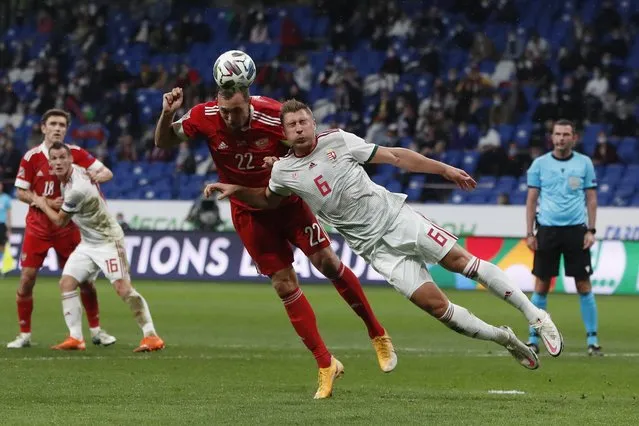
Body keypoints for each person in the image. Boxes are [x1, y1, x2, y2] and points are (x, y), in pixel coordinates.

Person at [205, 99, 564, 384]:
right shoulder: (283, 171)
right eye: (292, 125)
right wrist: (236, 189)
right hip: (375, 250)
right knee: (441, 312)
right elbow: (268, 200)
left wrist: (444, 169)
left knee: (462, 263)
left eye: (303, 122)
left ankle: (536, 316)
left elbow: (394, 155)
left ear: (313, 123)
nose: (299, 129)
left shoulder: (339, 140)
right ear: (284, 133)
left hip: (397, 219)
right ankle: (505, 339)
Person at [155, 85, 394, 400]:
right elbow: (163, 141)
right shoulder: (204, 115)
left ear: (248, 99)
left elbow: (307, 148)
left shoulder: (273, 114)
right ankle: (326, 364)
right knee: (284, 285)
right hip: (249, 213)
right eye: (224, 111)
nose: (229, 117)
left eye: (236, 110)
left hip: (289, 202)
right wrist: (167, 113)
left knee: (328, 263)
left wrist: (284, 165)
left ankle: (377, 332)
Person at [31, 142, 165, 352]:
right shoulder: (71, 176)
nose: (58, 162)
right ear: (50, 163)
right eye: (54, 158)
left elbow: (60, 221)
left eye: (62, 158)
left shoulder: (77, 188)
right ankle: (76, 338)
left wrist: (42, 203)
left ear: (70, 159)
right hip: (88, 243)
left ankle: (151, 336)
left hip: (109, 241)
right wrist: (102, 175)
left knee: (123, 289)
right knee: (66, 283)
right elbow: (104, 173)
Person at [8, 109, 117, 349]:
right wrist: (43, 202)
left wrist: (95, 176)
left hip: (68, 226)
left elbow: (105, 172)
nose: (58, 128)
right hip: (38, 226)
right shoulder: (31, 157)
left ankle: (96, 331)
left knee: (85, 281)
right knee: (27, 279)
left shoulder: (75, 153)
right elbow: (20, 191)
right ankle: (24, 334)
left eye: (62, 125)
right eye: (53, 124)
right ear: (43, 127)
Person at [526, 119, 601, 356]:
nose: (561, 138)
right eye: (557, 134)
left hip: (576, 231)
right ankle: (533, 338)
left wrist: (591, 230)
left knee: (583, 284)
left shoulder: (584, 163)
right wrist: (529, 233)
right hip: (547, 231)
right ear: (552, 137)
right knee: (541, 285)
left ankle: (592, 339)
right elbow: (531, 200)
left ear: (574, 137)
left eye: (566, 134)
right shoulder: (539, 164)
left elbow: (591, 199)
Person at [0, 181, 11, 276]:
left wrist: (9, 228)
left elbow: (8, 214)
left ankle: (3, 268)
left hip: (2, 225)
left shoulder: (6, 198)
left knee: (2, 247)